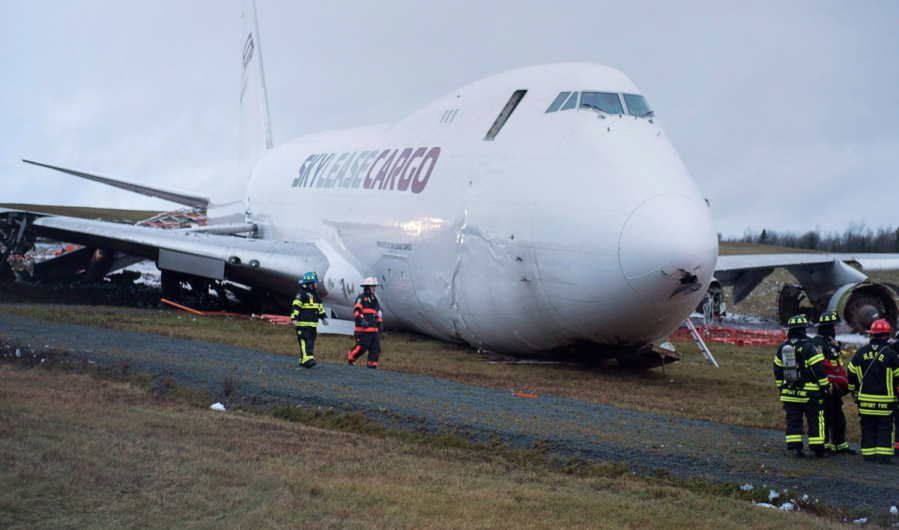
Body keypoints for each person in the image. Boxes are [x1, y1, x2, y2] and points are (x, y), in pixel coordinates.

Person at [773, 314, 831, 458]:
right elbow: (818, 369)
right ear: (804, 329)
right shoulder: (809, 347)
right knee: (815, 420)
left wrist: (782, 388)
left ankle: (794, 448)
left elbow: (777, 370)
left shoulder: (783, 347)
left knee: (793, 420)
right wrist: (825, 387)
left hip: (790, 393)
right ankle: (817, 449)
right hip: (810, 394)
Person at [847, 319, 899, 464]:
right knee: (885, 427)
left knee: (868, 426)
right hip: (886, 402)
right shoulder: (891, 354)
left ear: (872, 335)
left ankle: (869, 455)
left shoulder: (860, 352)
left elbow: (850, 374)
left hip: (865, 401)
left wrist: (854, 392)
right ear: (886, 336)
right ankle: (883, 456)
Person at [812, 310, 856, 455]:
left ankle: (840, 445)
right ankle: (824, 446)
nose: (837, 328)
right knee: (826, 417)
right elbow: (819, 366)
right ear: (828, 327)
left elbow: (837, 364)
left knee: (838, 417)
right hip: (825, 387)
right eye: (835, 325)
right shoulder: (819, 343)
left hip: (835, 387)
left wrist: (841, 382)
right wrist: (827, 384)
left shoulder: (832, 342)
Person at [290, 271, 328, 368]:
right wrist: (294, 319)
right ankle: (308, 359)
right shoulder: (301, 294)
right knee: (305, 341)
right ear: (310, 283)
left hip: (312, 324)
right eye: (315, 282)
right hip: (303, 324)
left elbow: (319, 307)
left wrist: (323, 317)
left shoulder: (315, 294)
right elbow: (296, 307)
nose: (316, 284)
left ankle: (303, 360)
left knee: (310, 341)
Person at [347, 277, 383, 369]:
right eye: (372, 286)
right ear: (367, 287)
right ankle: (351, 358)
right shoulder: (361, 298)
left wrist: (380, 323)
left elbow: (378, 313)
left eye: (374, 286)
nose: (374, 288)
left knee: (376, 348)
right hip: (363, 329)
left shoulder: (374, 299)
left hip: (373, 329)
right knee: (363, 346)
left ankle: (371, 366)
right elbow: (357, 311)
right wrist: (362, 320)